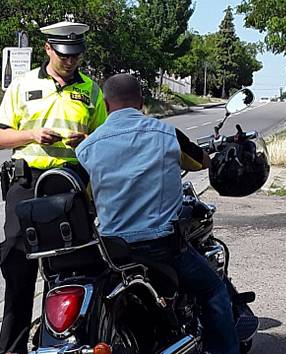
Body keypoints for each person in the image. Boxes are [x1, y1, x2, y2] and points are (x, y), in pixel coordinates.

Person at [75, 74, 239, 354]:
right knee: (214, 291)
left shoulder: (87, 148)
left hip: (114, 253)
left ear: (105, 103)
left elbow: (88, 195)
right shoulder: (166, 134)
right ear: (141, 102)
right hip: (162, 247)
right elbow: (201, 161)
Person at [0, 21, 107, 354]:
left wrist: (86, 139)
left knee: (73, 265)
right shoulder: (23, 85)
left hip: (69, 186)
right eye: (63, 55)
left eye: (76, 55)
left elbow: (101, 140)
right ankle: (10, 348)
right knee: (18, 267)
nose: (70, 61)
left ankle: (67, 339)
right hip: (27, 183)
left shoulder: (91, 90)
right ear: (48, 50)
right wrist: (32, 135)